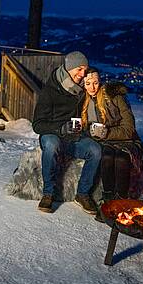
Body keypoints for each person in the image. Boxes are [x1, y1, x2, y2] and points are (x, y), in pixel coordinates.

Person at [32, 52, 102, 214]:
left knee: (95, 150)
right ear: (68, 68)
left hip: (72, 137)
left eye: (84, 70)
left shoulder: (81, 89)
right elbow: (37, 125)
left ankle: (83, 194)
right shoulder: (50, 91)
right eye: (79, 69)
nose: (82, 74)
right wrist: (60, 128)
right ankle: (48, 193)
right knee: (51, 144)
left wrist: (87, 128)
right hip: (52, 134)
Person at [81, 67, 143, 202]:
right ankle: (108, 200)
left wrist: (107, 133)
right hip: (105, 141)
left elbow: (129, 129)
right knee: (107, 157)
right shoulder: (84, 101)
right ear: (83, 84)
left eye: (96, 83)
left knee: (122, 159)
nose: (92, 87)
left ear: (100, 81)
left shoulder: (114, 96)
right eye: (88, 83)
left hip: (127, 140)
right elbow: (86, 128)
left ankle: (122, 201)